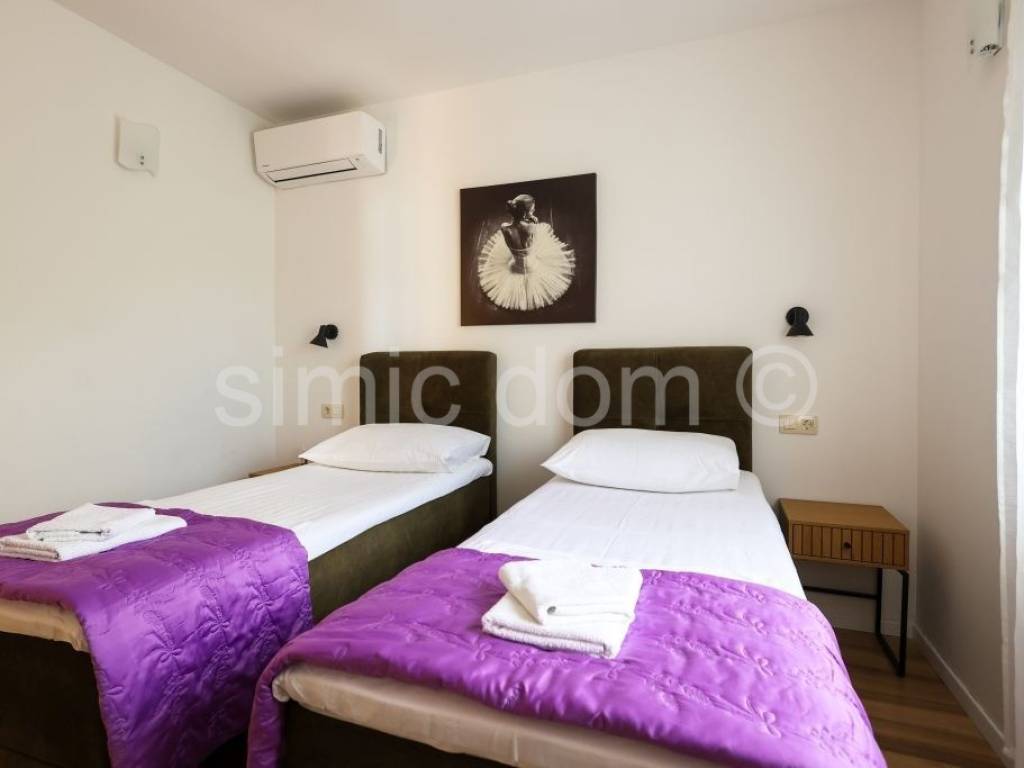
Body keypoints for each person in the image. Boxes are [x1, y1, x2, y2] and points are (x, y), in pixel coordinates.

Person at [477, 194, 575, 311]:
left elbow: (517, 226)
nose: (534, 210)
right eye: (532, 209)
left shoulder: (504, 228)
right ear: (525, 213)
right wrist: (534, 222)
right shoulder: (532, 227)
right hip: (532, 266)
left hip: (514, 266)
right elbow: (535, 243)